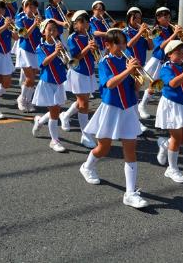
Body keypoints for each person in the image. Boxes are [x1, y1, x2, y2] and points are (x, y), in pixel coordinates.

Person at [78, 28, 148, 209]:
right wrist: (128, 70)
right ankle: (87, 166)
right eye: (118, 43)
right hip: (111, 108)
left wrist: (138, 74)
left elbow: (136, 87)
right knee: (103, 147)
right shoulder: (105, 62)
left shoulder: (128, 60)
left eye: (124, 42)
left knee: (131, 149)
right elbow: (109, 84)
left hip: (129, 107)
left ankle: (130, 193)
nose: (123, 46)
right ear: (108, 45)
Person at [155, 40, 183, 183]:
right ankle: (172, 169)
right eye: (177, 53)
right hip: (171, 104)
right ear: (169, 55)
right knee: (176, 138)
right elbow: (173, 84)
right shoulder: (165, 68)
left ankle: (164, 144)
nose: (181, 55)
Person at [59, 10, 99, 149]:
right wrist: (88, 47)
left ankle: (65, 115)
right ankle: (85, 135)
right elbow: (75, 58)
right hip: (78, 72)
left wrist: (95, 49)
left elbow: (94, 55)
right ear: (75, 24)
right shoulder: (72, 38)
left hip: (89, 72)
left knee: (83, 102)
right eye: (83, 21)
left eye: (87, 21)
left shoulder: (90, 36)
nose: (86, 24)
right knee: (84, 105)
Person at [31, 19, 69, 153]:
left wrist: (64, 56)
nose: (53, 32)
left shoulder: (60, 44)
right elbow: (44, 63)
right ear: (43, 32)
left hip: (59, 81)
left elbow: (66, 61)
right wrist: (55, 53)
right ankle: (54, 141)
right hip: (47, 82)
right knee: (54, 112)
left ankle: (40, 121)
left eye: (54, 29)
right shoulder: (40, 47)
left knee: (56, 110)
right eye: (49, 29)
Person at [138, 7, 182, 119]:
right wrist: (174, 34)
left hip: (169, 61)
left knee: (167, 86)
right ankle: (142, 105)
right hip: (158, 60)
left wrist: (179, 35)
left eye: (169, 16)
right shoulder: (156, 30)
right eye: (165, 17)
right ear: (158, 18)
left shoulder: (170, 29)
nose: (168, 19)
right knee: (155, 86)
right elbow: (162, 46)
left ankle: (168, 112)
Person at [15, 0, 42, 112]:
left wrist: (42, 26)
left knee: (33, 78)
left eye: (34, 7)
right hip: (25, 50)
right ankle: (21, 99)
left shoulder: (39, 20)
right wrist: (35, 24)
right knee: (30, 77)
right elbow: (24, 35)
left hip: (35, 51)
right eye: (29, 7)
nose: (32, 9)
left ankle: (28, 100)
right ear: (25, 8)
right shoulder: (20, 19)